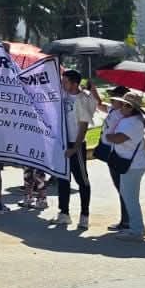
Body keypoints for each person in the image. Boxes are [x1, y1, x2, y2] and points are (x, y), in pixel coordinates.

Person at [104, 91, 145, 239]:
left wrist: (108, 136)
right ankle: (135, 227)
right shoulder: (131, 119)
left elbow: (118, 139)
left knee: (130, 198)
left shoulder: (133, 122)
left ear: (131, 108)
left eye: (124, 105)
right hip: (132, 164)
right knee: (129, 196)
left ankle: (137, 230)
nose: (121, 107)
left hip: (132, 166)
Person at [54, 70, 95, 229]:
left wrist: (76, 147)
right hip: (63, 143)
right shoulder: (63, 96)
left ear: (74, 83)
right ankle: (64, 213)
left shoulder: (82, 99)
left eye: (65, 82)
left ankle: (84, 215)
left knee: (82, 180)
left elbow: (83, 125)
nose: (63, 84)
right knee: (63, 179)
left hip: (75, 144)